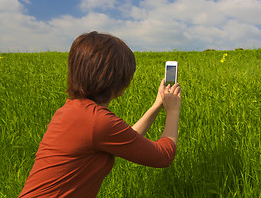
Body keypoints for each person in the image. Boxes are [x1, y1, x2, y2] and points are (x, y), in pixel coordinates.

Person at [18, 31, 181, 197]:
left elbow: (127, 138)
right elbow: (163, 155)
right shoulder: (97, 121)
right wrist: (173, 111)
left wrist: (157, 105)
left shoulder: (71, 111)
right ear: (118, 78)